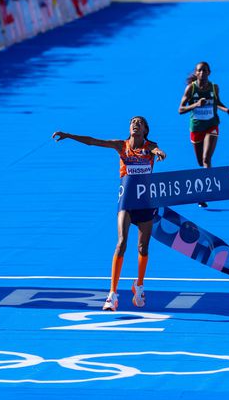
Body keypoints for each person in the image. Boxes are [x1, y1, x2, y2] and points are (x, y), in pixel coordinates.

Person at [52, 116, 166, 311]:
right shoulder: (121, 146)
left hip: (146, 201)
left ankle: (138, 285)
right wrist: (69, 135)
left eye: (139, 122)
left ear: (145, 130)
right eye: (132, 122)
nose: (135, 124)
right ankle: (112, 294)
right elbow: (93, 141)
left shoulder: (150, 146)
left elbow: (156, 150)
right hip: (127, 200)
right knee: (121, 242)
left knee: (143, 247)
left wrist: (159, 152)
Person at [178, 61, 229, 207]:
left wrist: (227, 110)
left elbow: (217, 102)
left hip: (212, 125)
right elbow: (180, 109)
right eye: (200, 70)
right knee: (200, 162)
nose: (202, 73)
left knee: (206, 159)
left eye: (205, 70)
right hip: (196, 127)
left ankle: (204, 193)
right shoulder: (190, 89)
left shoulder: (214, 87)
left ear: (209, 73)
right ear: (196, 73)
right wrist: (196, 105)